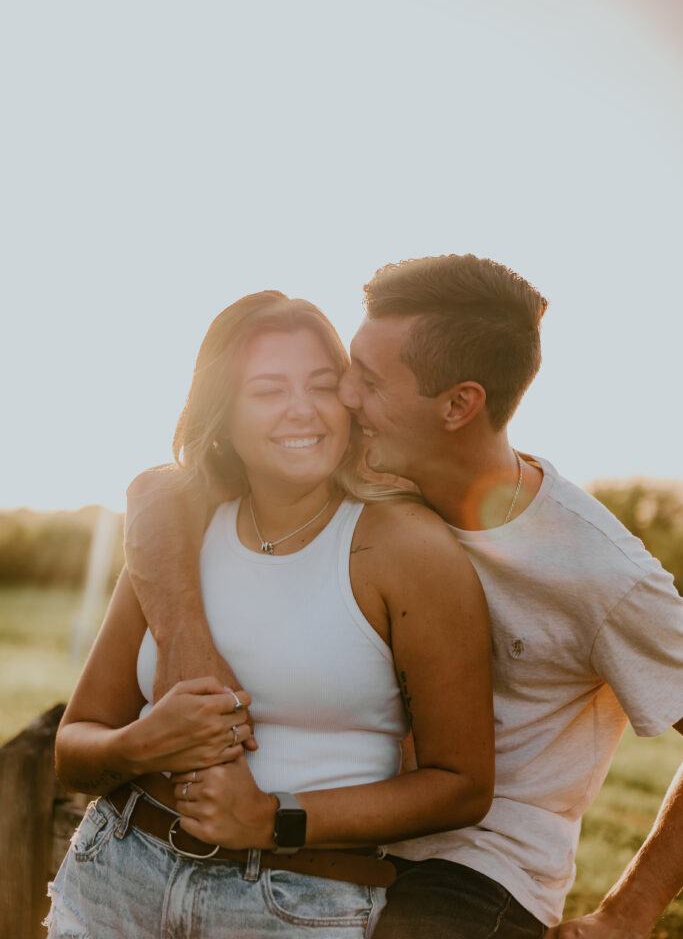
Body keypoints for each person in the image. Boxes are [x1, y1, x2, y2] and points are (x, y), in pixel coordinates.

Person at [124, 254, 683, 939]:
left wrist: (626, 915)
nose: (345, 397)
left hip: (471, 869)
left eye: (368, 380)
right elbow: (156, 494)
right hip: (340, 821)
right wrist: (186, 646)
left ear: (457, 404)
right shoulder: (371, 468)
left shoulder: (598, 572)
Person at [47, 290, 494, 939]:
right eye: (267, 390)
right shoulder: (176, 537)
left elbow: (461, 785)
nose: (301, 410)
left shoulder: (405, 548)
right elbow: (74, 747)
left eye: (321, 385)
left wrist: (276, 817)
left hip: (293, 902)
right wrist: (139, 744)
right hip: (118, 868)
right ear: (221, 413)